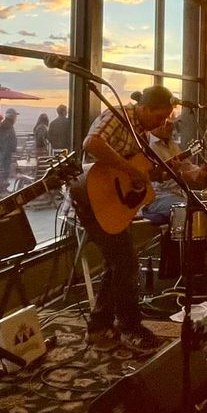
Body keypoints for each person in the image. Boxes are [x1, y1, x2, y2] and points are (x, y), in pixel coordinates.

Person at [76, 85, 179, 350]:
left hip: (111, 201)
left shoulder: (140, 132)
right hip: (91, 197)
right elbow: (92, 143)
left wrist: (159, 172)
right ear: (144, 108)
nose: (162, 123)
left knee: (119, 263)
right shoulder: (118, 116)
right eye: (159, 116)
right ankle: (128, 325)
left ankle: (101, 327)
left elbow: (138, 172)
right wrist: (128, 169)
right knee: (124, 262)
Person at [0, 107, 19, 188]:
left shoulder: (6, 125)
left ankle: (3, 188)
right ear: (11, 116)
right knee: (4, 171)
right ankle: (2, 189)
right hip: (5, 153)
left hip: (5, 152)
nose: (16, 118)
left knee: (4, 171)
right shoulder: (8, 126)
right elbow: (6, 142)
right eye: (15, 116)